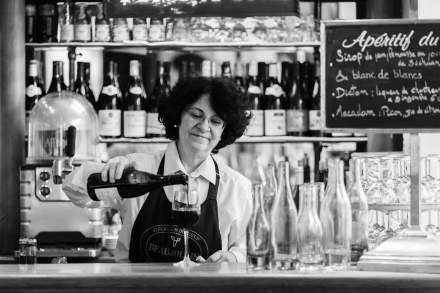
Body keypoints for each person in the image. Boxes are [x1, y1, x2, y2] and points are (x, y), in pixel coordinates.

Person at [62, 76, 253, 263]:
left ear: (224, 131)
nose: (204, 126)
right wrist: (107, 172)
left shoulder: (236, 187)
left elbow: (245, 248)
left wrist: (232, 257)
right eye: (196, 115)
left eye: (216, 121)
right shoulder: (138, 169)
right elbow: (72, 189)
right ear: (178, 116)